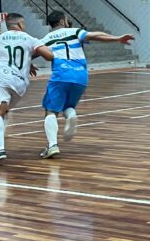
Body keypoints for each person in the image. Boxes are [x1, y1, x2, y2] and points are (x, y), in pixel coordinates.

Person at [38, 11, 135, 159]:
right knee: (67, 106)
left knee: (50, 111)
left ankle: (52, 146)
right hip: (80, 76)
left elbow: (31, 53)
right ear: (62, 21)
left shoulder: (45, 39)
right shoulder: (74, 31)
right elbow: (95, 35)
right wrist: (117, 38)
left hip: (61, 75)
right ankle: (71, 115)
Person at [0, 13, 54, 166]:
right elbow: (49, 55)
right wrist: (27, 60)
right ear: (19, 24)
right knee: (3, 111)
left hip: (3, 79)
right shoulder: (30, 38)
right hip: (20, 84)